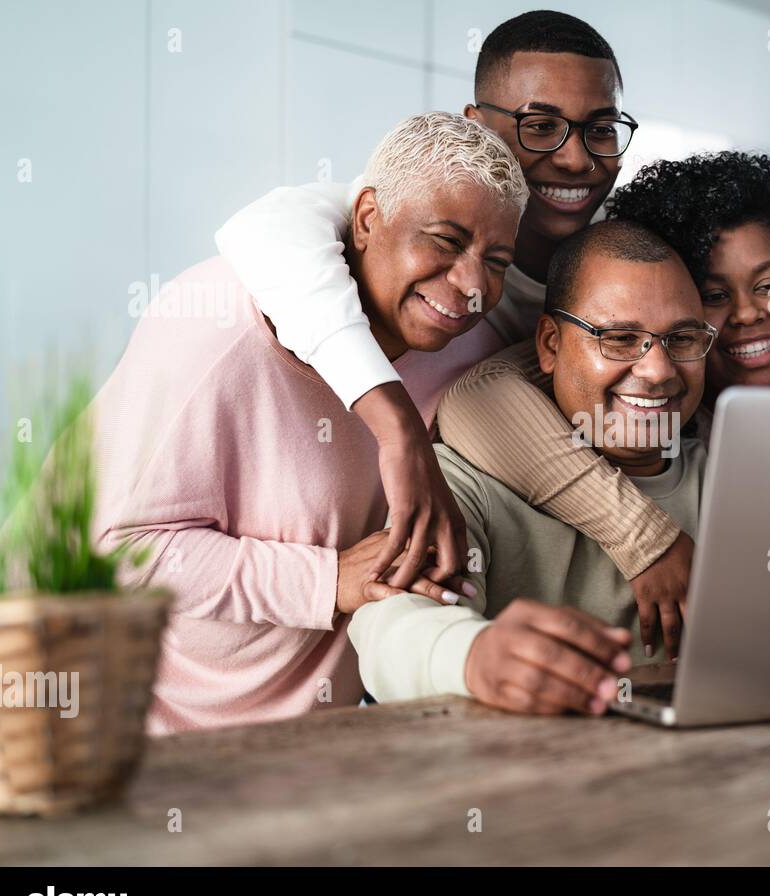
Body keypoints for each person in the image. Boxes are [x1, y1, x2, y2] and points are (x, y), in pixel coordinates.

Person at [90, 113, 527, 733]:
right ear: (369, 218)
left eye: (497, 259)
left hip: (323, 743)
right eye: (446, 241)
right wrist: (327, 580)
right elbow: (118, 552)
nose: (472, 284)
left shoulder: (469, 342)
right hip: (157, 738)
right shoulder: (213, 331)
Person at [434, 151, 770, 657]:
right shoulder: (665, 427)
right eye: (713, 295)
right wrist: (646, 539)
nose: (748, 314)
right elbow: (479, 397)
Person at [214, 11, 642, 604]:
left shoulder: (626, 262)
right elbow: (262, 230)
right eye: (540, 127)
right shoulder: (395, 228)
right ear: (478, 126)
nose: (575, 160)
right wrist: (399, 431)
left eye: (600, 129)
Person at [348, 221, 707, 714]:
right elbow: (390, 624)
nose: (659, 369)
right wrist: (471, 656)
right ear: (550, 346)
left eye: (683, 339)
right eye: (619, 339)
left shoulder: (734, 472)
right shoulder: (459, 482)